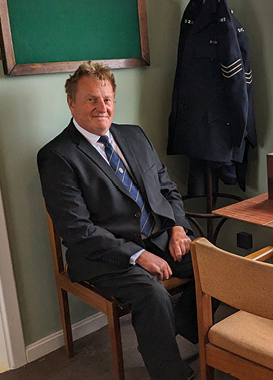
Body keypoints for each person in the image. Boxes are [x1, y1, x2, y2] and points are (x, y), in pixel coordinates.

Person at [38, 62, 197, 380]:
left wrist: (178, 227)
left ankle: (169, 330)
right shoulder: (57, 156)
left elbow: (167, 189)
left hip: (159, 237)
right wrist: (137, 255)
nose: (102, 107)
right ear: (71, 103)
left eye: (107, 99)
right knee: (153, 296)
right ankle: (170, 372)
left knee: (217, 265)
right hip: (104, 256)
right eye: (91, 99)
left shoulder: (134, 136)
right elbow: (76, 230)